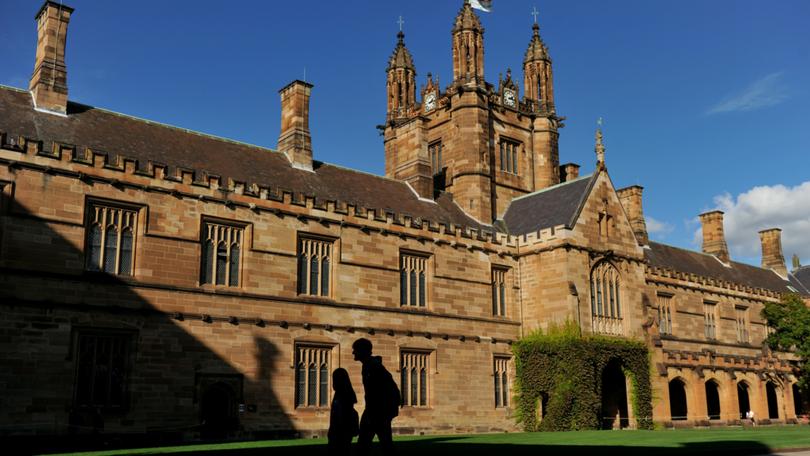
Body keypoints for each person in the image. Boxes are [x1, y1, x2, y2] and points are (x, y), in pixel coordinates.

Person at [352, 338, 399, 456]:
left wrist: (383, 412)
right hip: (375, 411)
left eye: (355, 350)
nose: (353, 353)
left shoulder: (373, 366)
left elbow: (385, 389)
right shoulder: (369, 365)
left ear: (363, 351)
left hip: (377, 412)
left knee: (366, 444)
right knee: (383, 444)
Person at [328, 367, 359, 455]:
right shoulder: (341, 393)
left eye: (334, 379)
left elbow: (343, 414)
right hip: (340, 431)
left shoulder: (343, 394)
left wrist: (334, 431)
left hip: (340, 432)